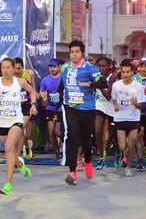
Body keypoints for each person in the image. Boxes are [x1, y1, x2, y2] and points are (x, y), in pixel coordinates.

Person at [0, 57, 38, 195]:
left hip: (16, 120)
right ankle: (21, 166)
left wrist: (33, 105)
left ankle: (8, 184)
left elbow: (32, 92)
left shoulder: (19, 82)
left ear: (13, 69)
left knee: (8, 148)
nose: (6, 70)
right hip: (2, 122)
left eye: (8, 67)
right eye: (3, 68)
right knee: (11, 152)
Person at [56, 40, 107, 185]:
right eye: (72, 52)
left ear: (82, 53)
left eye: (77, 52)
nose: (74, 54)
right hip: (70, 107)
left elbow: (104, 83)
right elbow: (63, 84)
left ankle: (89, 162)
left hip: (87, 108)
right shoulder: (65, 68)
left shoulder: (89, 68)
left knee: (86, 139)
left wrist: (89, 84)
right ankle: (72, 172)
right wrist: (58, 94)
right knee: (73, 137)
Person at [112, 60, 145, 177]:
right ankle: (125, 156)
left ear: (132, 72)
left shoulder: (138, 86)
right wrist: (115, 105)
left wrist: (135, 104)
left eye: (128, 72)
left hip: (133, 118)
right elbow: (114, 99)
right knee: (122, 146)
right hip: (120, 118)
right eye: (123, 72)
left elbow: (141, 105)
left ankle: (129, 167)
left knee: (131, 145)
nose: (125, 74)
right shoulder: (116, 85)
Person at [94, 57, 116, 170]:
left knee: (113, 133)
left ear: (109, 67)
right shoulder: (96, 77)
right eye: (100, 66)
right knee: (98, 129)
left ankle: (118, 152)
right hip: (99, 106)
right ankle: (101, 158)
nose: (101, 68)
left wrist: (100, 85)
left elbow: (108, 97)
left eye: (104, 66)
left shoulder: (112, 78)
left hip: (111, 107)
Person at [39, 59, 63, 160]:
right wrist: (43, 98)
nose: (52, 69)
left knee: (58, 132)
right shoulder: (45, 80)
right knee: (51, 132)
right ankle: (57, 151)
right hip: (50, 108)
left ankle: (64, 147)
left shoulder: (63, 78)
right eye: (50, 67)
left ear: (58, 67)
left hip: (61, 108)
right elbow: (42, 95)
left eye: (54, 67)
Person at [14, 57, 36, 160]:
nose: (17, 71)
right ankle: (24, 149)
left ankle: (22, 153)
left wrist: (34, 104)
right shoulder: (11, 77)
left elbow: (33, 90)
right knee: (20, 131)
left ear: (23, 67)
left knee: (25, 132)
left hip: (28, 105)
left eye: (19, 68)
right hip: (16, 107)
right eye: (15, 68)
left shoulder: (29, 74)